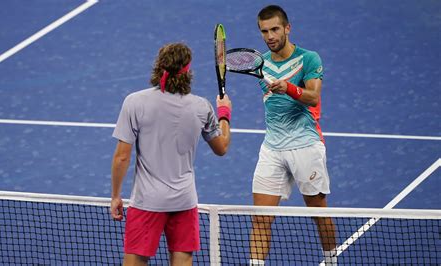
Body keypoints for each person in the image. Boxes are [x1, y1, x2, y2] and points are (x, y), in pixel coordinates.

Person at [110, 43, 232, 266]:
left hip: (147, 202)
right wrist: (224, 113)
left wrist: (116, 196)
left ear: (159, 66)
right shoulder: (201, 107)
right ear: (188, 71)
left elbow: (121, 157)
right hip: (184, 202)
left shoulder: (135, 102)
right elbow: (222, 147)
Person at [249, 5, 337, 265]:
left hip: (305, 145)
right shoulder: (261, 64)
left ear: (287, 28)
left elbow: (313, 97)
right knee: (261, 218)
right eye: (264, 31)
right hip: (272, 148)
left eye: (275, 29)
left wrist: (288, 87)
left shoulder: (309, 59)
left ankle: (331, 261)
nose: (270, 36)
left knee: (318, 214)